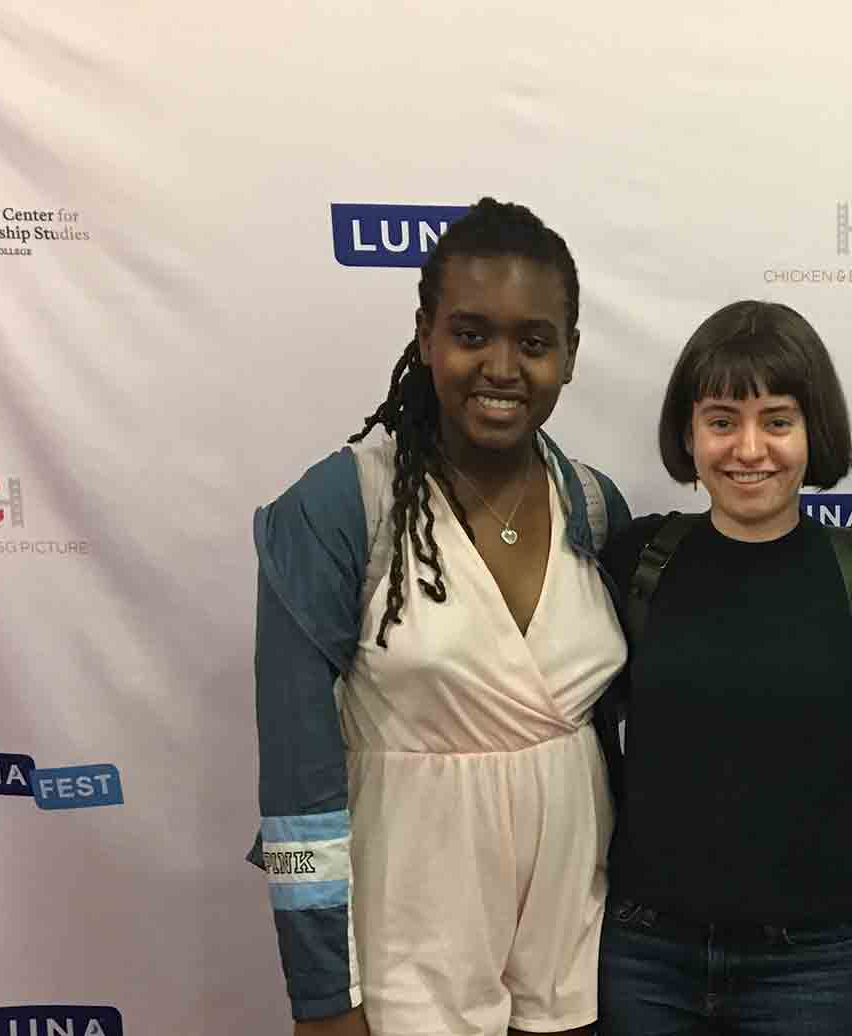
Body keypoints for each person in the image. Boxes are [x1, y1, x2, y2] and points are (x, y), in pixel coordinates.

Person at [250, 198, 631, 1036]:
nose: (503, 366)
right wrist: (323, 995)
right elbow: (296, 777)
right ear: (425, 338)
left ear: (570, 356)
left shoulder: (595, 508)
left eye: (534, 342)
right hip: (407, 930)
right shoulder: (345, 505)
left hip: (576, 923)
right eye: (471, 334)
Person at [594, 300, 852, 1036]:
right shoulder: (637, 561)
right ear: (689, 432)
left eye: (776, 419)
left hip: (802, 964)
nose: (748, 448)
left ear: (814, 431)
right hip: (645, 953)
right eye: (721, 420)